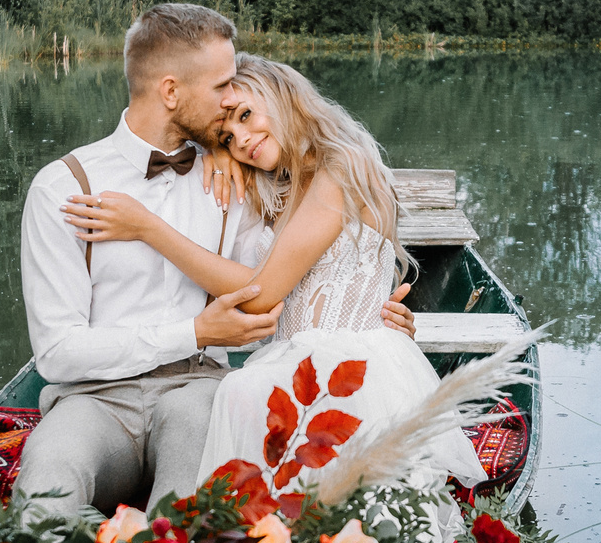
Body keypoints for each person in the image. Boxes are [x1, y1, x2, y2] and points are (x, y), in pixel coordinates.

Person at [14, 5, 415, 520]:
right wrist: (196, 330)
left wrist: (378, 320)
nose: (231, 105)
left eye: (241, 104)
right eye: (224, 89)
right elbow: (56, 353)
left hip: (197, 387)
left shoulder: (238, 180)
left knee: (185, 505)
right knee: (47, 478)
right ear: (171, 91)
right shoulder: (63, 187)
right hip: (92, 398)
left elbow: (267, 293)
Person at [61, 53, 480, 500]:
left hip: (348, 366)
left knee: (241, 391)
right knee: (242, 397)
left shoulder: (342, 168)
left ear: (284, 97)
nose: (243, 139)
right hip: (294, 357)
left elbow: (261, 296)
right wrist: (219, 153)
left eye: (246, 116)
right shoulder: (283, 183)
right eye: (229, 134)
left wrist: (147, 228)